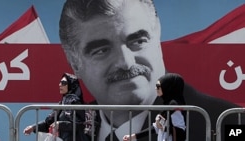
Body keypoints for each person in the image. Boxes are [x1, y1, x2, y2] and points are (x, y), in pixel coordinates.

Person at [59, 0, 242, 140]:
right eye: (101, 51)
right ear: (74, 62)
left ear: (157, 36)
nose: (126, 63)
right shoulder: (67, 128)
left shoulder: (228, 121)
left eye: (138, 41)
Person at [23, 73, 89, 141]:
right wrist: (33, 127)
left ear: (71, 85)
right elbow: (48, 123)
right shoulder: (62, 103)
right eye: (60, 82)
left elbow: (79, 124)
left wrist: (60, 124)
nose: (60, 85)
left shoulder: (75, 102)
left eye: (63, 83)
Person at [123, 73, 186, 141]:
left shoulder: (174, 107)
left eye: (158, 86)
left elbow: (181, 132)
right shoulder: (168, 105)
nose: (156, 88)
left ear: (167, 87)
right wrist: (133, 136)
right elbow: (156, 127)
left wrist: (163, 127)